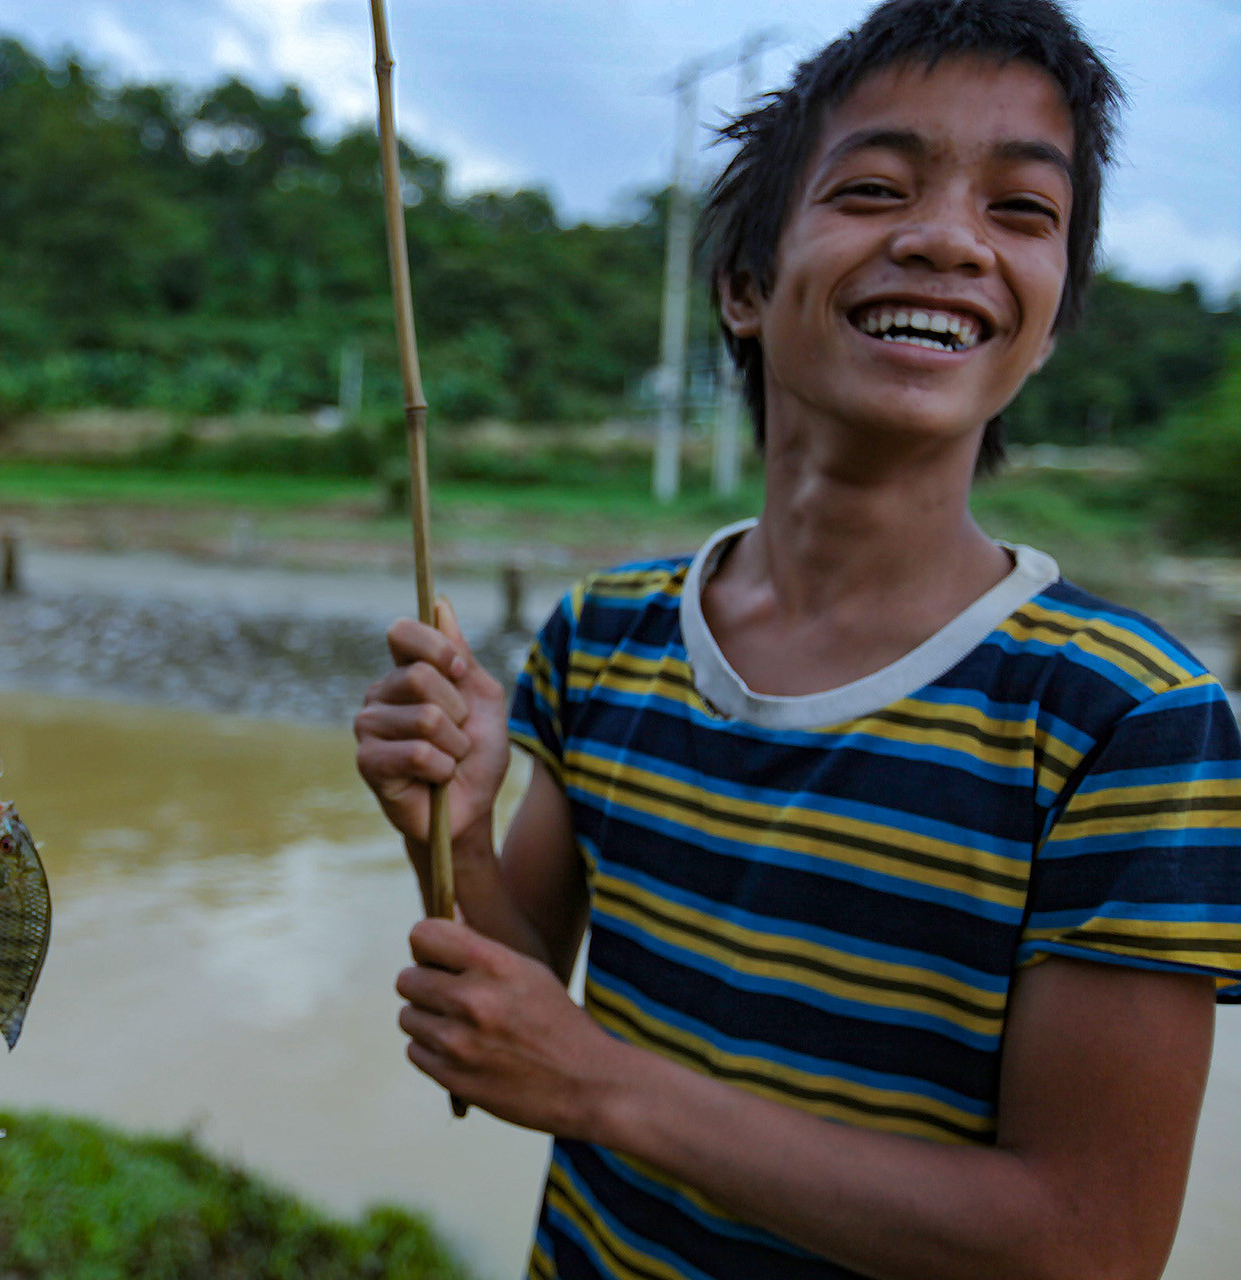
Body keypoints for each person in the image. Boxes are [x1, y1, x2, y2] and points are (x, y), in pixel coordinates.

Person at [352, 3, 1241, 1278]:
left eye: (1022, 212)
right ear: (746, 285)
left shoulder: (1128, 720)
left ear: (1048, 324)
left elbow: (1088, 1243)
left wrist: (606, 1085)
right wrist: (448, 823)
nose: (946, 240)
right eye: (876, 188)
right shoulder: (606, 634)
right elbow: (515, 1022)